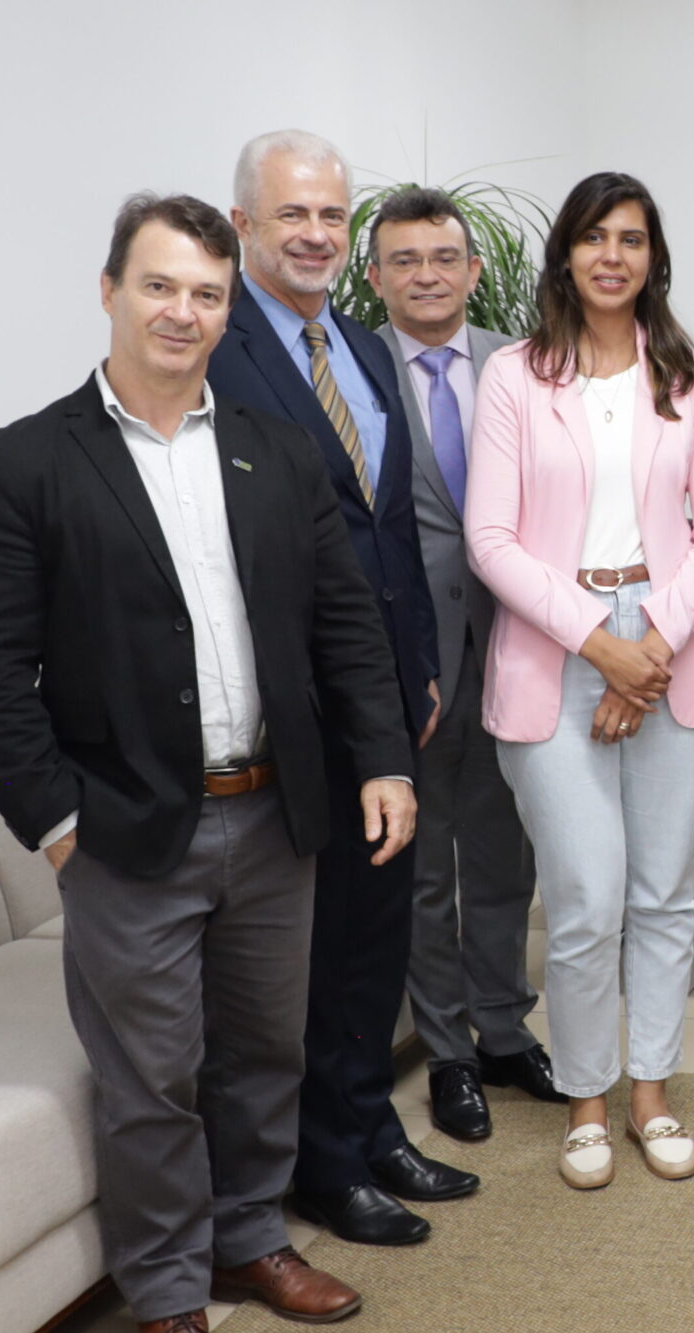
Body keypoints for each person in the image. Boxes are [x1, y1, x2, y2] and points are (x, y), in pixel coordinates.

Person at [0, 193, 414, 1333]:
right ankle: (166, 1301)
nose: (185, 312)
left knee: (265, 1048)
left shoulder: (274, 444)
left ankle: (250, 1239)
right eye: (161, 286)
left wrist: (383, 759)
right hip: (124, 831)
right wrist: (57, 823)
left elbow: (342, 624)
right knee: (152, 1075)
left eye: (207, 292)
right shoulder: (23, 463)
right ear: (109, 290)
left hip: (276, 813)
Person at [211, 130, 473, 1246]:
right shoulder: (215, 352)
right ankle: (321, 1165)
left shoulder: (364, 351)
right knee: (312, 949)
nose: (315, 234)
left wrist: (415, 668)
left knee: (376, 934)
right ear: (243, 229)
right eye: (292, 217)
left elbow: (395, 539)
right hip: (289, 712)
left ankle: (370, 1130)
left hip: (383, 704)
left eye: (330, 216)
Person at [467, 171, 694, 1189]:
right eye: (594, 237)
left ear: (653, 257)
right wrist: (600, 643)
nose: (613, 255)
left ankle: (651, 1093)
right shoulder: (513, 376)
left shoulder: (689, 373)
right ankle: (585, 1097)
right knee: (585, 894)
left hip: (673, 641)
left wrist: (652, 644)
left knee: (665, 891)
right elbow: (489, 539)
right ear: (567, 256)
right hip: (556, 646)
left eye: (631, 238)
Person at [368, 186, 561, 1145]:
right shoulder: (356, 374)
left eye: (443, 257)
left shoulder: (523, 365)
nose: (427, 275)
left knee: (504, 855)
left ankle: (505, 1031)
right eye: (404, 260)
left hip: (520, 647)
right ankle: (446, 1054)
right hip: (413, 660)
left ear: (475, 269)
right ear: (375, 277)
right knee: (425, 869)